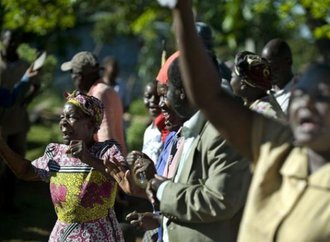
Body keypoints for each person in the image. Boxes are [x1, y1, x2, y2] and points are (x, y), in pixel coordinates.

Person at [163, 0, 330, 241]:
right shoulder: (278, 146)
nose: (306, 102)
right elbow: (208, 96)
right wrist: (181, 11)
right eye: (301, 93)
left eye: (322, 96)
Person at [0, 91, 126, 241]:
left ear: (92, 124)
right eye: (62, 117)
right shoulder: (56, 154)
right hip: (63, 235)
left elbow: (124, 177)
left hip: (97, 235)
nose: (63, 122)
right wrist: (2, 146)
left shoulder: (106, 151)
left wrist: (88, 158)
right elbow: (25, 171)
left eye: (71, 117)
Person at [0, 30, 39, 212]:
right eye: (9, 40)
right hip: (2, 125)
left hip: (17, 123)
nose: (13, 44)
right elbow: (8, 98)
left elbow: (14, 96)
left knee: (15, 164)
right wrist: (24, 80)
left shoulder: (24, 64)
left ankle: (10, 202)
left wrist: (25, 101)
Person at [61, 51, 127, 155]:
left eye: (72, 72)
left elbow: (105, 135)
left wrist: (102, 162)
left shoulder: (99, 94)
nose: (72, 77)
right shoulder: (105, 89)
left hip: (107, 162)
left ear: (79, 76)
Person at [261, 38, 296, 114]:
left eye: (274, 68)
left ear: (289, 62)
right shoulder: (263, 92)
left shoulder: (297, 94)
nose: (268, 73)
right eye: (265, 69)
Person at [142, 80, 168, 164]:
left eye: (157, 96)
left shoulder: (167, 129)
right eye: (148, 96)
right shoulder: (148, 131)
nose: (153, 100)